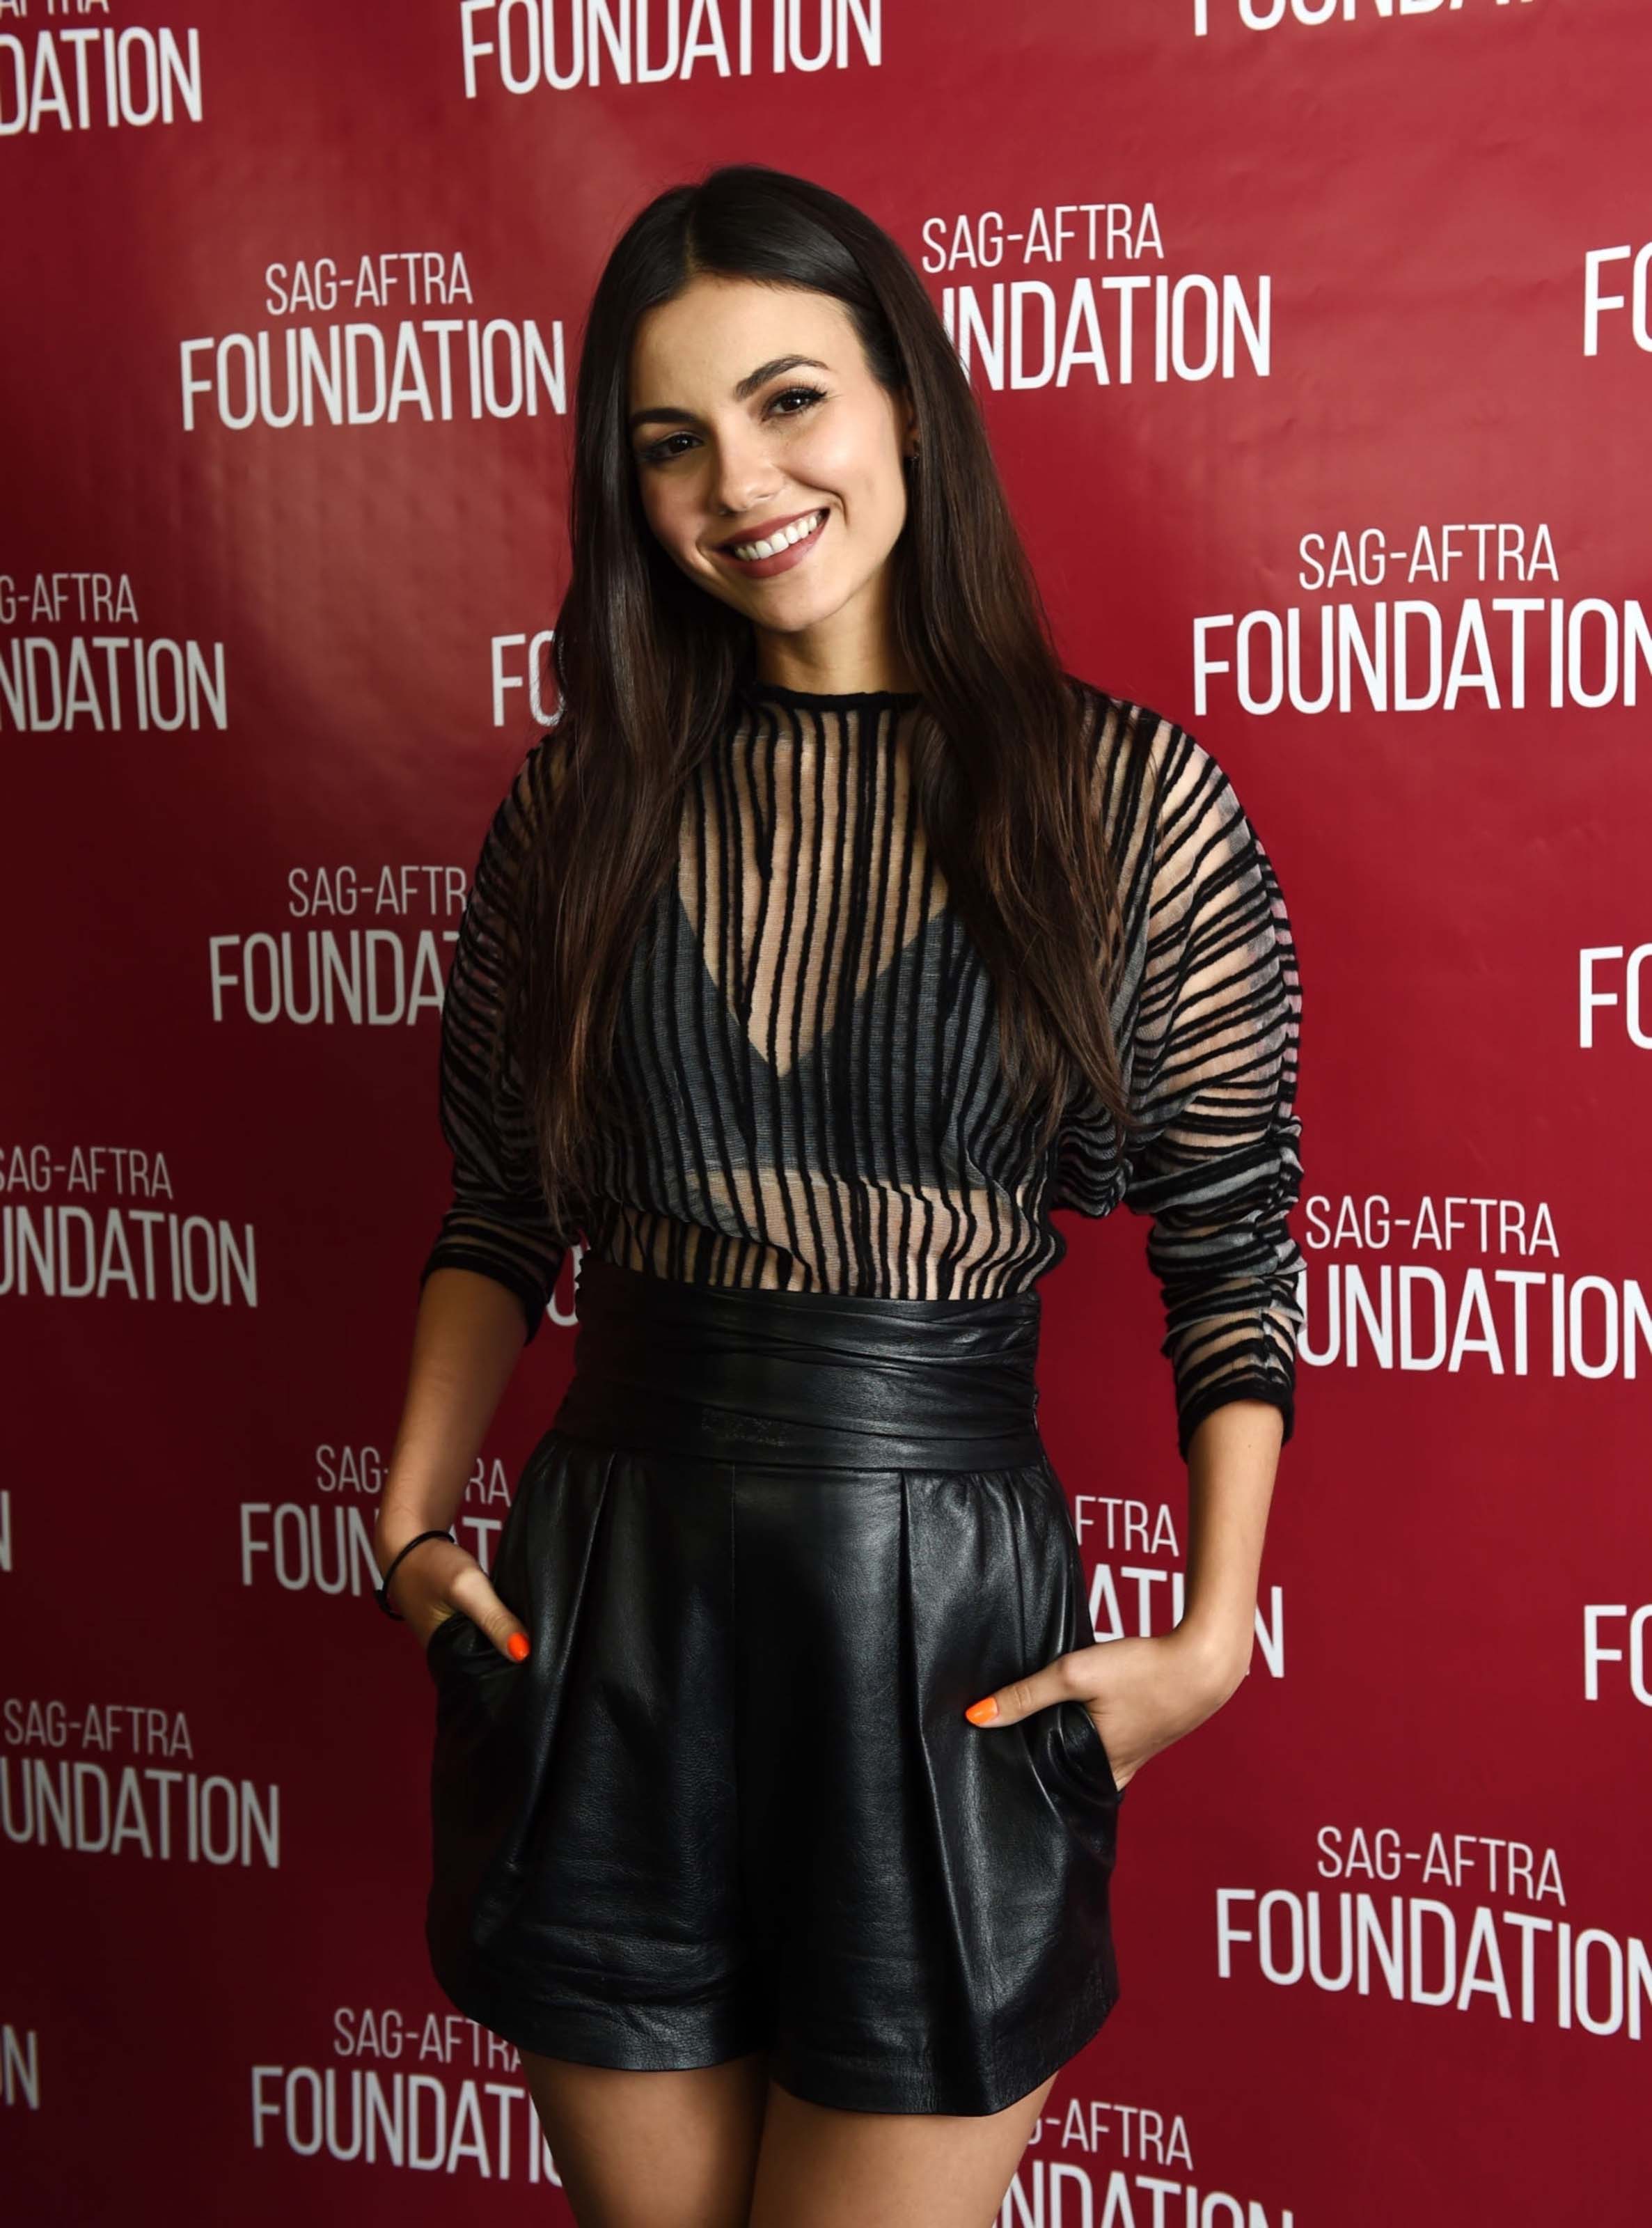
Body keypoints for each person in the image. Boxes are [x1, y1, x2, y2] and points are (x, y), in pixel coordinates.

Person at [372, 164, 1305, 2228]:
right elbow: (497, 1209)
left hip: (940, 1613)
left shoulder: (1126, 801)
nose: (742, 482)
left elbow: (1233, 1241)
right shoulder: (580, 802)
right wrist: (410, 1523)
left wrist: (1216, 1637)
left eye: (790, 400)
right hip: (608, 1606)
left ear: (906, 404)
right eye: (672, 441)